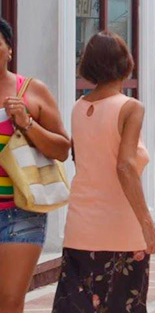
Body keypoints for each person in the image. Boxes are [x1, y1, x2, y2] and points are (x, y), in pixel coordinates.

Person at [53, 32, 155, 312]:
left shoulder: (79, 109)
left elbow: (84, 162)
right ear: (126, 63)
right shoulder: (130, 108)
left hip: (80, 226)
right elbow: (124, 166)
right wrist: (148, 225)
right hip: (120, 230)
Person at [0, 17, 69, 313]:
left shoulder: (31, 90)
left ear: (9, 50)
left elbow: (63, 149)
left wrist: (26, 123)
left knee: (10, 301)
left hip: (20, 213)